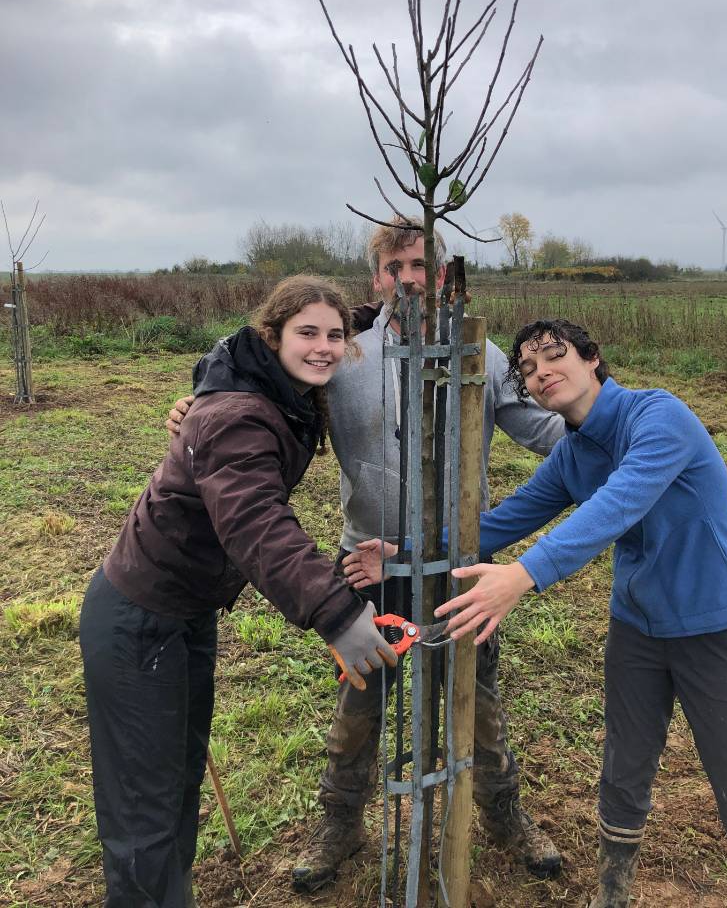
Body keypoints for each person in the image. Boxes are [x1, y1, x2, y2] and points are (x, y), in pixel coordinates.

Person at [347, 318, 727, 907]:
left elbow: (619, 503)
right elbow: (498, 523)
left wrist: (523, 575)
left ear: (593, 360)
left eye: (554, 357)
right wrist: (404, 557)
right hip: (637, 628)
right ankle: (611, 894)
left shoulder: (658, 417)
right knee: (622, 772)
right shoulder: (574, 453)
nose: (541, 375)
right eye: (529, 371)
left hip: (714, 628)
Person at [168, 218, 567, 893]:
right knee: (360, 703)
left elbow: (547, 432)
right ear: (376, 276)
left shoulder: (483, 356)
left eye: (423, 265)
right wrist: (197, 407)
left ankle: (504, 815)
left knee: (478, 698)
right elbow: (257, 388)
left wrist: (617, 423)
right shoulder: (342, 358)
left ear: (444, 273)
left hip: (460, 568)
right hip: (368, 567)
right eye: (396, 266)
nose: (411, 278)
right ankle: (340, 823)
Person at [80, 276, 398, 908]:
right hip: (139, 622)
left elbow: (342, 320)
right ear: (271, 335)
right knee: (145, 807)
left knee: (176, 784)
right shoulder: (237, 415)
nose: (324, 347)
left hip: (183, 613)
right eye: (306, 333)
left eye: (335, 335)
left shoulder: (265, 381)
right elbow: (255, 521)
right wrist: (336, 610)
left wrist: (393, 305)